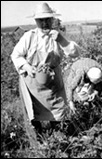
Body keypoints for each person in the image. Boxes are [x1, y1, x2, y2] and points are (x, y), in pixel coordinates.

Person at [11, 2, 80, 142]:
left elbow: (75, 53)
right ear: (36, 21)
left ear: (52, 20)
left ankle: (59, 139)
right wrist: (28, 67)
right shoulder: (29, 37)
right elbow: (15, 55)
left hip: (53, 83)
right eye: (40, 20)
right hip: (32, 83)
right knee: (33, 114)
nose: (44, 24)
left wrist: (62, 40)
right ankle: (39, 142)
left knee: (58, 112)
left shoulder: (57, 37)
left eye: (47, 20)